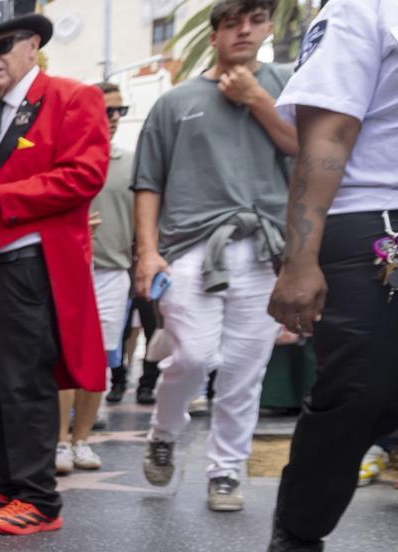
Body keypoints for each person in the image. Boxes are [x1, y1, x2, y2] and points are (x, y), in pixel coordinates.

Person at [0, 0, 110, 536]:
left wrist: (0, 192)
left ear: (33, 44)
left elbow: (86, 174)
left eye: (2, 44)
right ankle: (10, 481)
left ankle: (39, 497)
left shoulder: (72, 98)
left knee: (23, 382)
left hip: (27, 265)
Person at [133, 0, 296, 511]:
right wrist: (147, 253)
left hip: (266, 247)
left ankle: (226, 471)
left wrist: (257, 100)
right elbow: (148, 182)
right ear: (215, 32)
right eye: (232, 22)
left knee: (246, 370)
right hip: (191, 248)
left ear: (269, 26)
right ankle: (164, 430)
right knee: (196, 355)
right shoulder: (176, 101)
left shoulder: (291, 85)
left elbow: (308, 151)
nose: (244, 31)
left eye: (255, 20)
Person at [264, 0, 398, 552]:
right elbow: (328, 131)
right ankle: (302, 523)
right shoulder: (363, 8)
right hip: (377, 218)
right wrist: (300, 258)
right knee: (360, 392)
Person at [66, 81, 136, 473]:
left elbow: (146, 212)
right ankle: (61, 440)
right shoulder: (64, 156)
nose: (112, 119)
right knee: (63, 354)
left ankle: (82, 440)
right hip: (66, 268)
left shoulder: (129, 161)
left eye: (119, 112)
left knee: (99, 356)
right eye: (106, 110)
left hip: (112, 270)